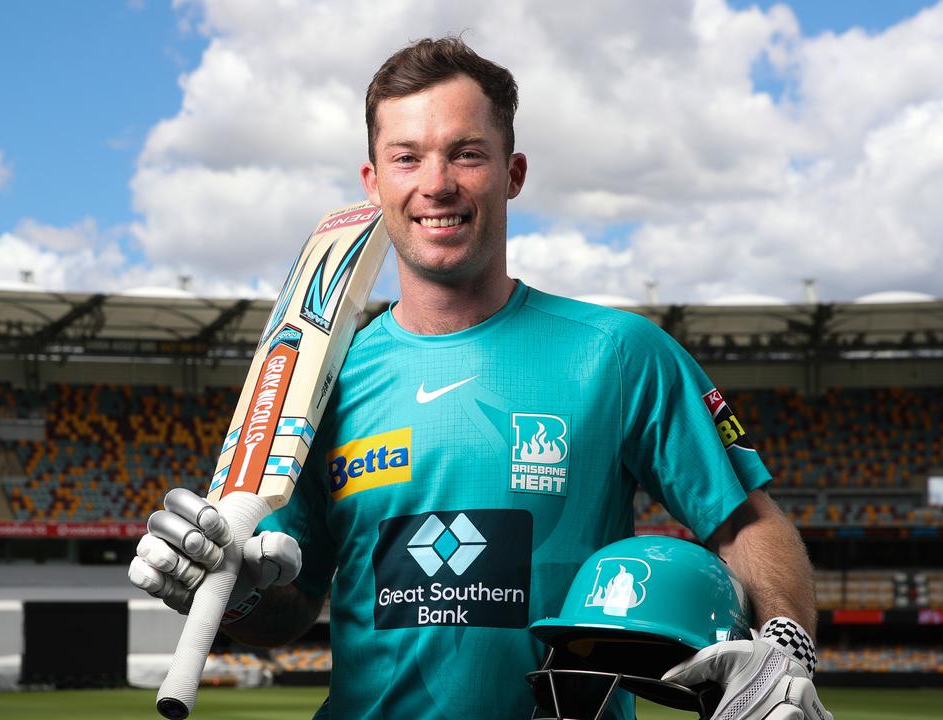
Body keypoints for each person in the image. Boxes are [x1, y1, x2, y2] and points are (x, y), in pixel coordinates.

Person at [130, 37, 828, 720]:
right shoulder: (321, 380)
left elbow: (747, 523)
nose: (436, 184)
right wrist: (225, 588)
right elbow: (286, 610)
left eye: (467, 153)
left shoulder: (621, 354)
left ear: (513, 172)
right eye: (407, 158)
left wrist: (786, 646)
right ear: (374, 183)